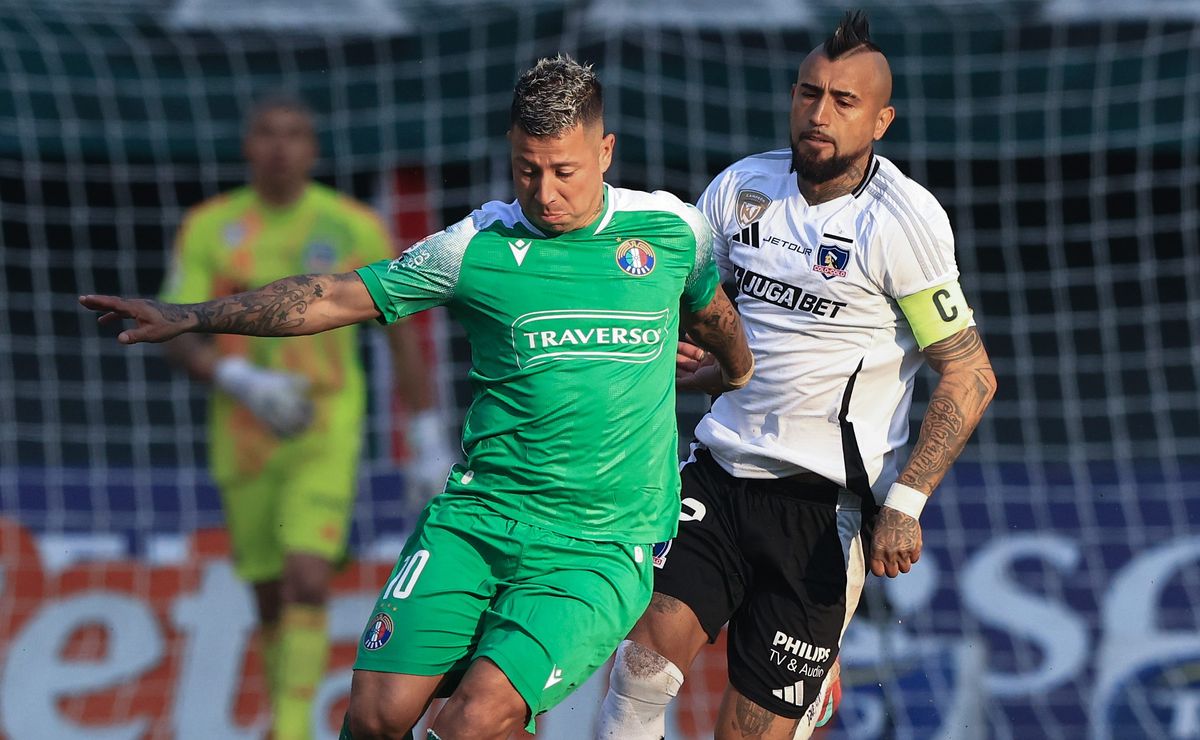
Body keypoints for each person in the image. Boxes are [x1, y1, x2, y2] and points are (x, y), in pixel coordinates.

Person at [82, 55, 754, 740]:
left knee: (473, 720)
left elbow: (713, 314)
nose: (544, 191)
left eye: (563, 171)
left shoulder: (672, 233)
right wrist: (194, 316)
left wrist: (734, 372)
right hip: (476, 522)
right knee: (376, 717)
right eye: (526, 169)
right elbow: (337, 296)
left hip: (597, 545)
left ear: (604, 152)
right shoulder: (474, 247)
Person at [596, 11, 997, 740]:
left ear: (881, 120)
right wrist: (688, 358)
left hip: (824, 509)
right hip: (717, 473)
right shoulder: (740, 191)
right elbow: (712, 333)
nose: (818, 114)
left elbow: (969, 375)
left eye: (844, 102)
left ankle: (813, 684)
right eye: (808, 93)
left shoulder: (902, 221)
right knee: (640, 665)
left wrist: (905, 503)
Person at [154, 95, 453, 739]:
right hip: (242, 431)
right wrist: (236, 377)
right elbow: (176, 327)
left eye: (295, 135)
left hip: (324, 425)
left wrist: (425, 435)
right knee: (268, 592)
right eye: (267, 133)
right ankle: (284, 711)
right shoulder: (209, 226)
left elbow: (401, 332)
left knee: (306, 576)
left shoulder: (352, 225)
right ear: (247, 146)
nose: (281, 147)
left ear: (314, 151)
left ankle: (290, 731)